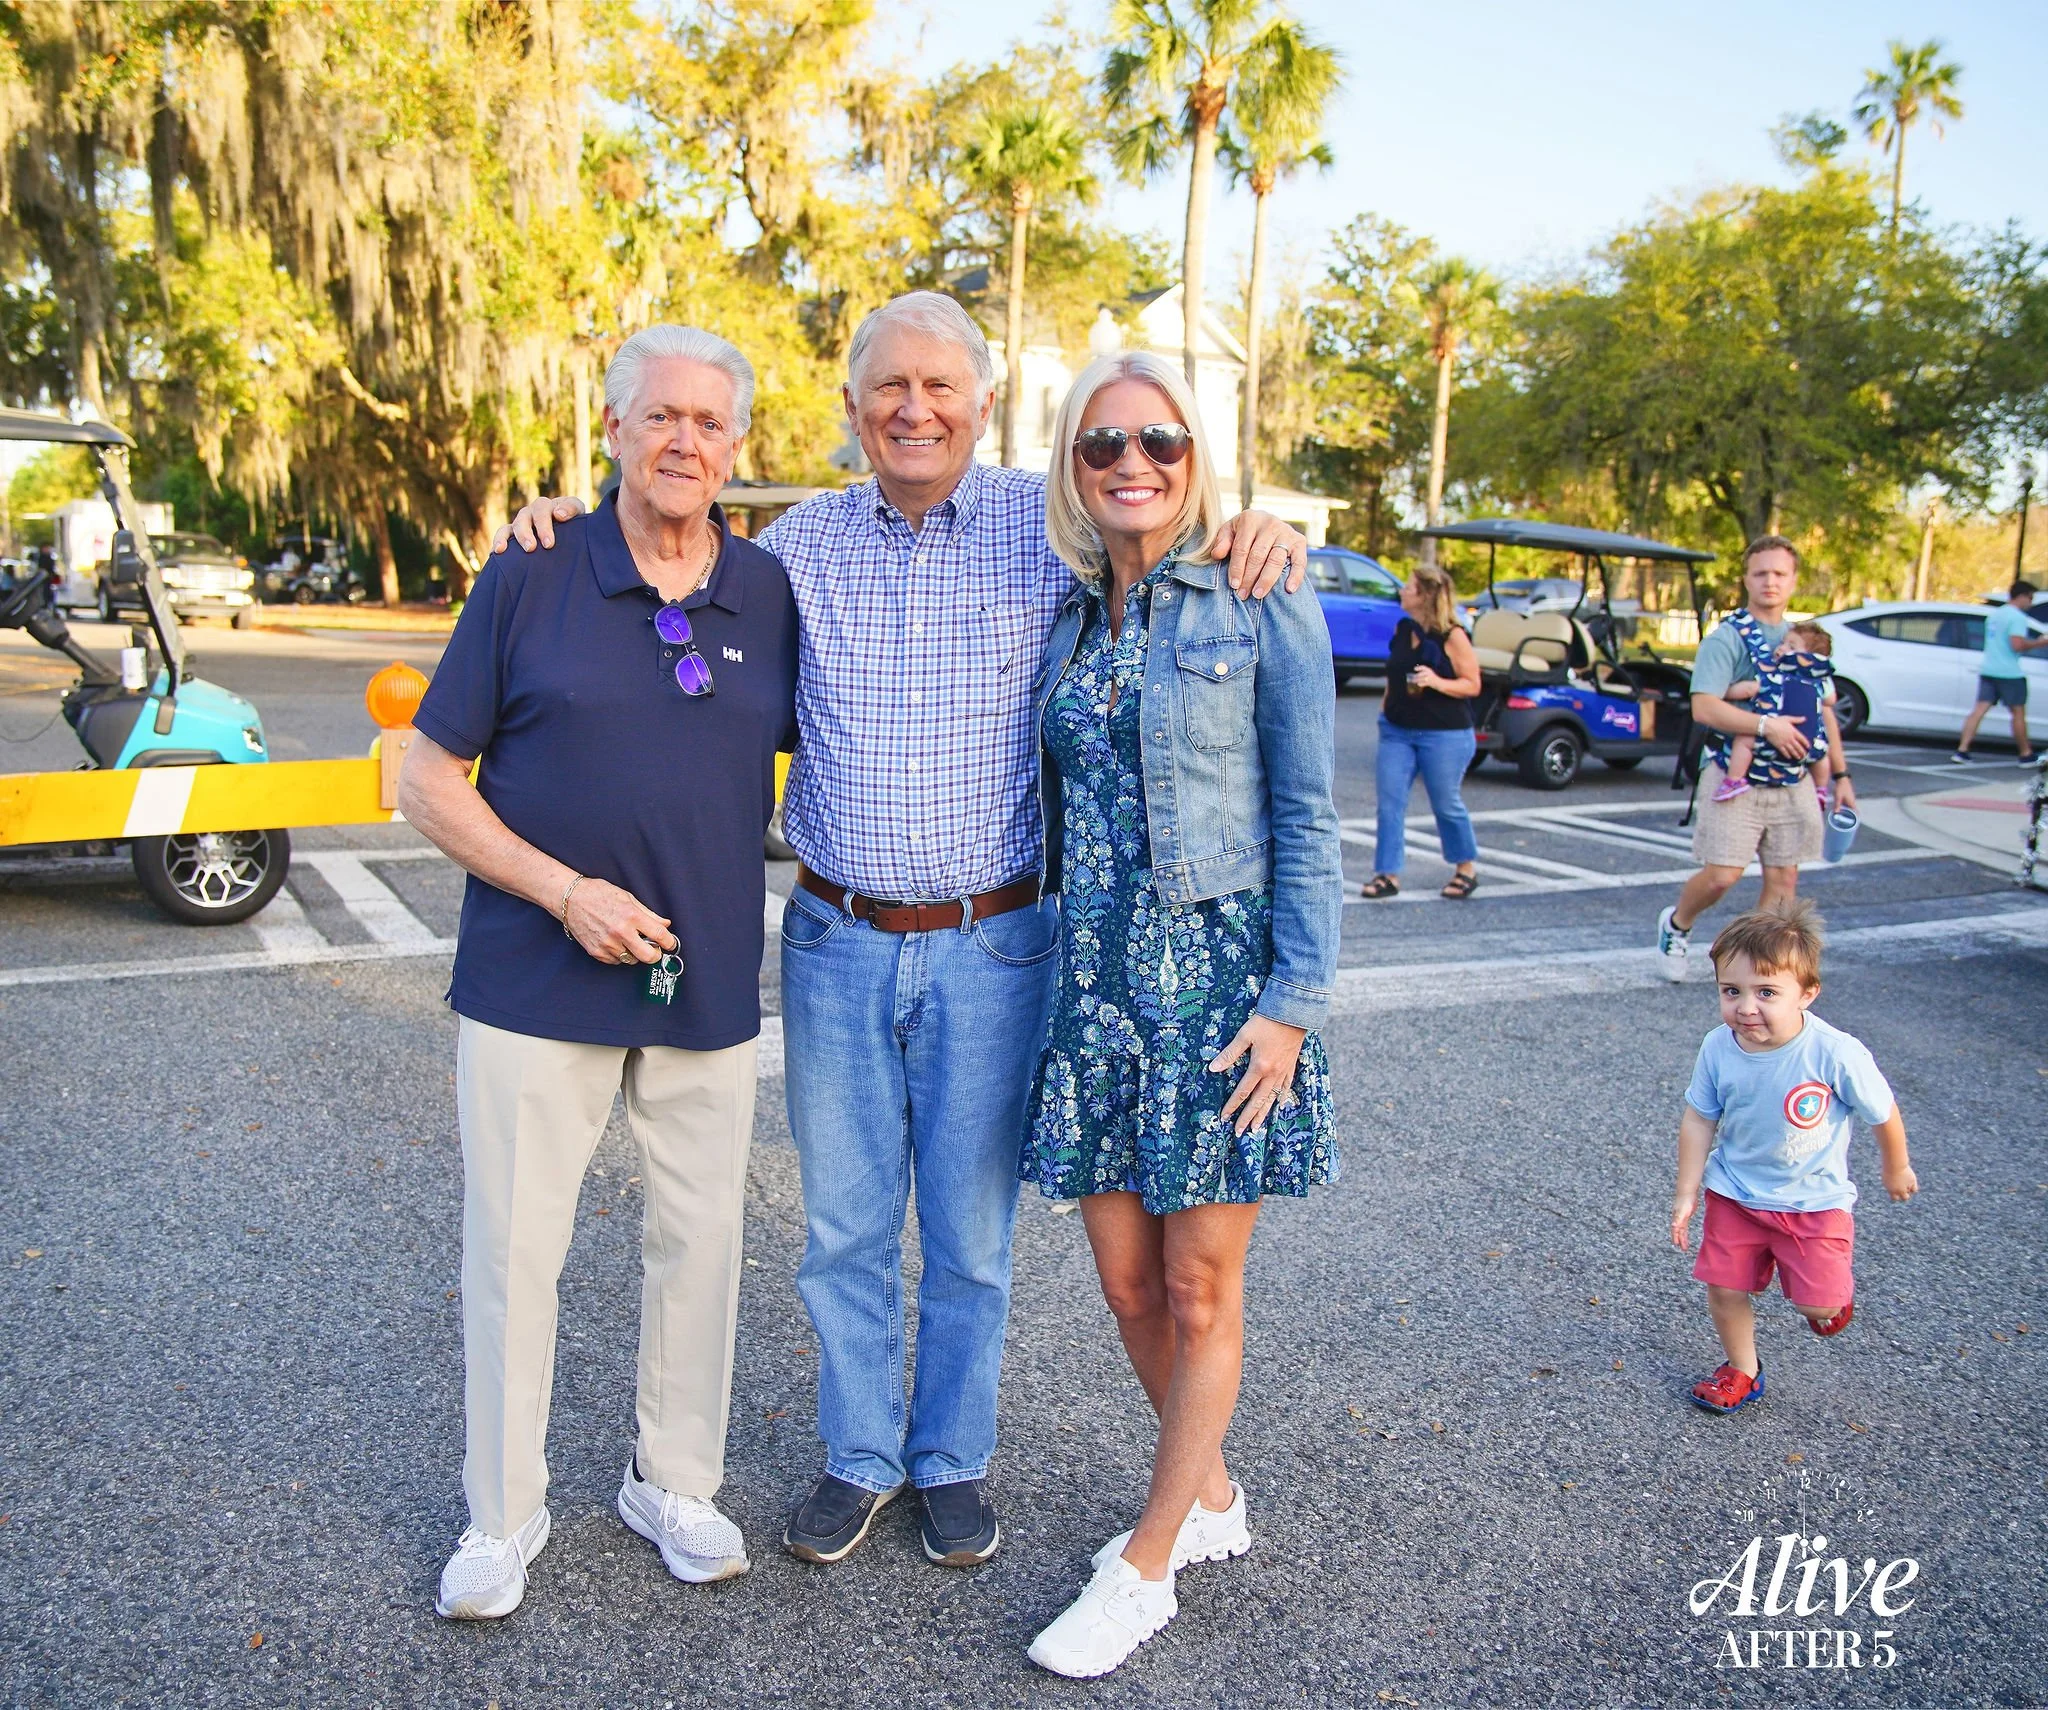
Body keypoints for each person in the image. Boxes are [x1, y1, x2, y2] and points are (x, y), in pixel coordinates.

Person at [495, 292, 1310, 1573]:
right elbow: (653, 559)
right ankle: (860, 1454)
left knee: (971, 1235)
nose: (915, 409)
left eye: (942, 388)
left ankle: (950, 1460)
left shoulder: (1051, 537)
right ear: (852, 409)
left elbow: (1167, 533)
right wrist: (549, 524)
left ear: (985, 406)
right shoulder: (790, 553)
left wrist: (1256, 525)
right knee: (845, 1225)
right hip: (836, 936)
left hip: (998, 942)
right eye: (890, 388)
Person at [397, 325, 799, 1619]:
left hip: (707, 984)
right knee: (516, 1251)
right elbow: (420, 775)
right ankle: (500, 1516)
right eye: (660, 415)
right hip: (534, 975)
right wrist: (561, 891)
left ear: (737, 446)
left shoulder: (768, 589)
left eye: (710, 422)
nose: (686, 439)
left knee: (702, 1240)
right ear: (614, 429)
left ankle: (672, 1480)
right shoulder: (531, 573)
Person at [1017, 352, 1342, 1678]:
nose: (1132, 462)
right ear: (1074, 467)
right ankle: (1207, 1490)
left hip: (1218, 984)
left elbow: (1312, 820)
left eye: (1160, 439)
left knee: (1204, 1292)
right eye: (1104, 445)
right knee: (1126, 1278)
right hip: (1091, 982)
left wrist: (1294, 1007)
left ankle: (1148, 1559)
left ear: (1195, 454)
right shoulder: (1071, 617)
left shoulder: (1263, 598)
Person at [1668, 902, 1917, 1414]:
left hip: (1813, 1202)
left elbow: (1881, 1110)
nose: (1746, 1007)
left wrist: (1896, 1165)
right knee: (1724, 1286)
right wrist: (1688, 1191)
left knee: (1817, 1306)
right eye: (1730, 991)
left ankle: (1825, 1291)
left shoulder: (1834, 1052)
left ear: (1806, 993)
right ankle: (1742, 1368)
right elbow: (1699, 1119)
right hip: (1736, 1194)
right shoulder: (1718, 1048)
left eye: (1766, 993)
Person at [1654, 536, 1855, 982]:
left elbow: (1825, 712)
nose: (1770, 582)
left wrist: (1840, 775)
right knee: (1722, 875)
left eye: (1780, 573)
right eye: (1760, 572)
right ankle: (1677, 924)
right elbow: (1704, 708)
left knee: (1783, 879)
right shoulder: (1728, 639)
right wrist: (1767, 726)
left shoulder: (1807, 640)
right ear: (1745, 578)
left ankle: (1758, 968)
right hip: (1735, 773)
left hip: (1793, 776)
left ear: (1794, 580)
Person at [1359, 564, 1483, 900]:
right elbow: (1394, 674)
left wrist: (1437, 682)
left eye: (1409, 587)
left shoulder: (1453, 635)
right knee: (1389, 804)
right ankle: (1387, 875)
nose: (1402, 591)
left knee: (1446, 803)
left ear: (1425, 596)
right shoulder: (1403, 628)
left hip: (1444, 734)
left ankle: (1465, 868)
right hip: (1397, 731)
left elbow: (1473, 684)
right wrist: (1386, 711)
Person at [1712, 620, 1835, 802]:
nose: (1782, 648)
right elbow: (1831, 700)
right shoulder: (1821, 682)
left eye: (1791, 646)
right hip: (1809, 743)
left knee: (1744, 740)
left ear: (1809, 656)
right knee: (1822, 755)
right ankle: (1821, 788)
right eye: (1783, 643)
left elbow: (1748, 690)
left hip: (1769, 738)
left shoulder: (1773, 676)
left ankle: (1734, 780)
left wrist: (1724, 692)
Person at [1953, 580, 2046, 762]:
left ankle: (1962, 749)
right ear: (2021, 596)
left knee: (1979, 710)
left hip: (1989, 669)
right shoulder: (2017, 618)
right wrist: (2041, 642)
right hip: (2010, 672)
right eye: (2030, 598)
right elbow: (2017, 644)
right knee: (2018, 713)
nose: (2031, 602)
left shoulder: (1995, 615)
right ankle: (2025, 753)